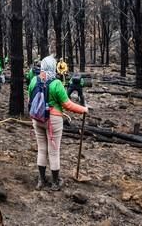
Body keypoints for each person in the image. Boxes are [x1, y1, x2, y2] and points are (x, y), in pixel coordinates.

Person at [29, 55, 88, 191]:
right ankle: (55, 182)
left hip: (37, 119)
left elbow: (30, 99)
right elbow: (67, 104)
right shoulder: (56, 84)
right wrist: (83, 109)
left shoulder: (34, 80)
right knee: (53, 152)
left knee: (42, 149)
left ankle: (41, 180)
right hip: (53, 121)